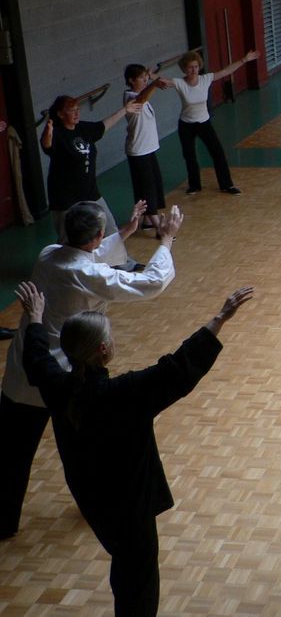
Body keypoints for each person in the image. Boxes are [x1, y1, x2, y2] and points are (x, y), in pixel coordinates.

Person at [18, 281, 253, 616]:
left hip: (92, 498)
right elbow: (177, 369)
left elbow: (37, 358)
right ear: (102, 349)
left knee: (125, 567)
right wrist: (220, 317)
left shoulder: (58, 387)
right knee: (138, 581)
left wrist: (35, 317)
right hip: (129, 508)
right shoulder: (123, 395)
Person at [0, 200, 182, 540]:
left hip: (27, 366)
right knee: (78, 455)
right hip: (67, 378)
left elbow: (82, 256)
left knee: (10, 455)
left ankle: (2, 521)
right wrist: (166, 239)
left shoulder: (48, 253)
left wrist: (124, 232)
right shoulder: (89, 275)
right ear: (97, 237)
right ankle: (94, 507)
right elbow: (150, 282)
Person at [40, 94, 141, 249]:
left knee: (109, 228)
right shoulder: (57, 133)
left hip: (89, 191)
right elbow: (47, 145)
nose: (77, 113)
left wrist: (125, 110)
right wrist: (47, 132)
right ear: (60, 114)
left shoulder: (83, 128)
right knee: (67, 237)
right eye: (71, 110)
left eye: (77, 109)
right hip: (65, 196)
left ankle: (119, 262)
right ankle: (65, 269)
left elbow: (104, 125)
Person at [165, 49, 259, 195]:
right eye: (190, 67)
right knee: (189, 156)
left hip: (204, 123)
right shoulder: (179, 83)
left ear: (199, 67)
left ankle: (227, 185)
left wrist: (244, 60)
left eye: (196, 66)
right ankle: (194, 185)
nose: (193, 69)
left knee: (218, 153)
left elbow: (226, 71)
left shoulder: (205, 79)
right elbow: (163, 81)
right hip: (186, 125)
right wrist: (148, 75)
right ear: (184, 68)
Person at [123, 64, 168, 232]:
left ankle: (147, 220)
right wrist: (154, 84)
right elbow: (141, 98)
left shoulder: (142, 96)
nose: (145, 80)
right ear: (131, 80)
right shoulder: (130, 97)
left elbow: (146, 95)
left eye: (145, 77)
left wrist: (153, 80)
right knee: (146, 187)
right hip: (139, 150)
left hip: (148, 149)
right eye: (141, 78)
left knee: (153, 184)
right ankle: (158, 227)